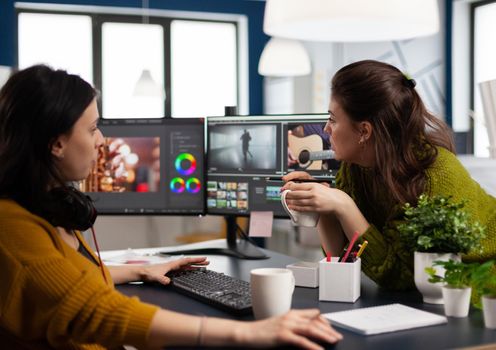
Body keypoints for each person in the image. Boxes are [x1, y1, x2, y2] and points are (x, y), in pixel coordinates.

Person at [0, 65, 342, 349]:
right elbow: (92, 310)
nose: (102, 140)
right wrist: (248, 333)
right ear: (57, 144)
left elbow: (67, 279)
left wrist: (140, 270)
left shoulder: (44, 206)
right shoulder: (12, 227)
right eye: (92, 129)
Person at [282, 60, 496, 314]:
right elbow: (342, 259)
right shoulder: (354, 167)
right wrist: (322, 205)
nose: (326, 128)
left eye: (332, 119)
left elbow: (400, 276)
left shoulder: (436, 174)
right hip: (446, 290)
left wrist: (343, 204)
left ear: (364, 131)